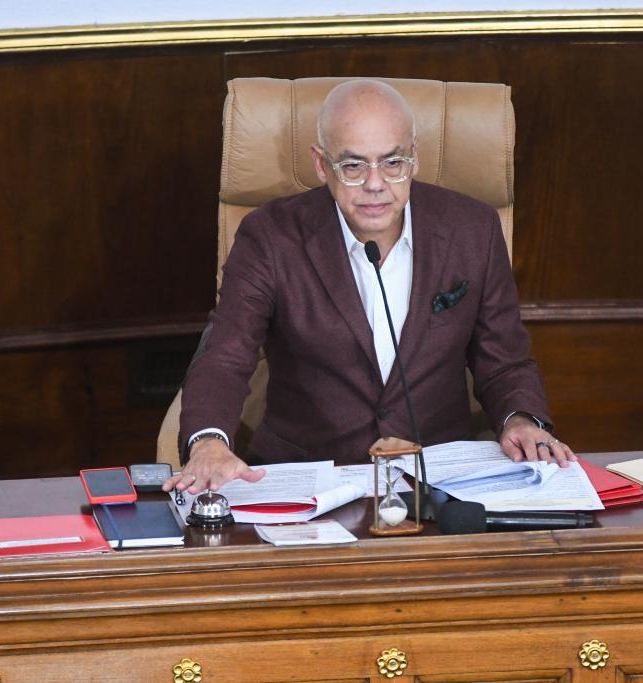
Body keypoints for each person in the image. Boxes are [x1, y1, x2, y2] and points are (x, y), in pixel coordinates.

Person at [164, 79, 575, 495]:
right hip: (311, 484)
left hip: (436, 484)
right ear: (322, 165)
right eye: (353, 166)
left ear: (414, 156)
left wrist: (522, 419)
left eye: (393, 162)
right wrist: (208, 441)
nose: (375, 184)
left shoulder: (473, 229)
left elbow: (504, 361)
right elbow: (226, 354)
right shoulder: (270, 236)